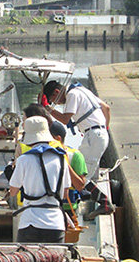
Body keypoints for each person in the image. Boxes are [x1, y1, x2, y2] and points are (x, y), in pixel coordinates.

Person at [43, 81, 114, 219]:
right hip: (97, 134)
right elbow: (106, 108)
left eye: (54, 101)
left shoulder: (72, 94)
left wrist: (47, 108)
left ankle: (104, 203)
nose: (57, 104)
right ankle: (93, 203)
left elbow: (64, 119)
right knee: (88, 174)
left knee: (79, 178)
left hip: (93, 136)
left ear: (57, 92)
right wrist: (105, 128)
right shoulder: (83, 90)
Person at [8, 116, 70, 243]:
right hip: (56, 224)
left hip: (30, 222)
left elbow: (13, 191)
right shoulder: (62, 159)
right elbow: (64, 194)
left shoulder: (24, 160)